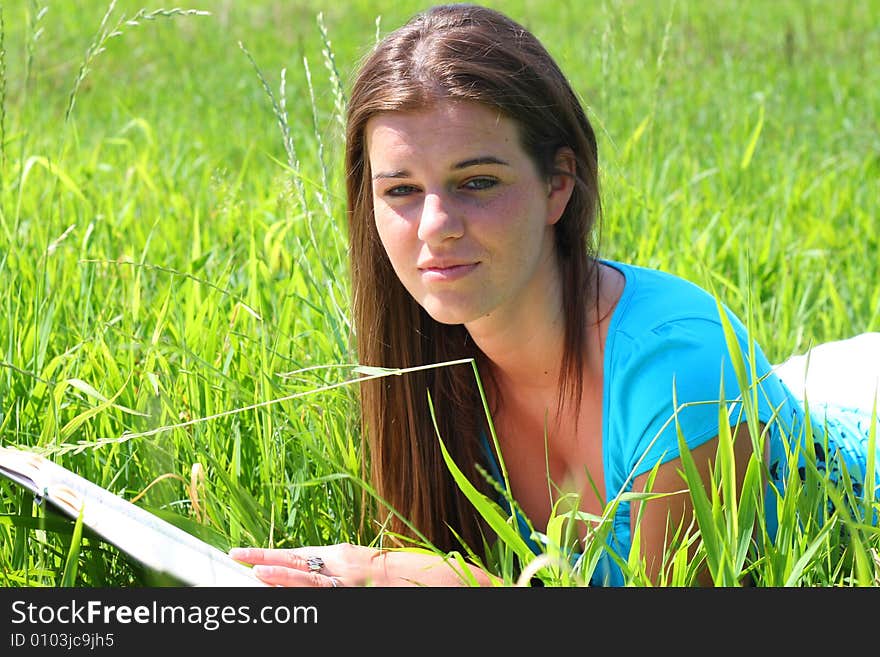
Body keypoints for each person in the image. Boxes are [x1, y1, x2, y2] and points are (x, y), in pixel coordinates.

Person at [229, 3, 880, 587]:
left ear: (557, 184)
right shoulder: (423, 363)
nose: (434, 226)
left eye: (477, 181)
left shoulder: (683, 379)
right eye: (400, 190)